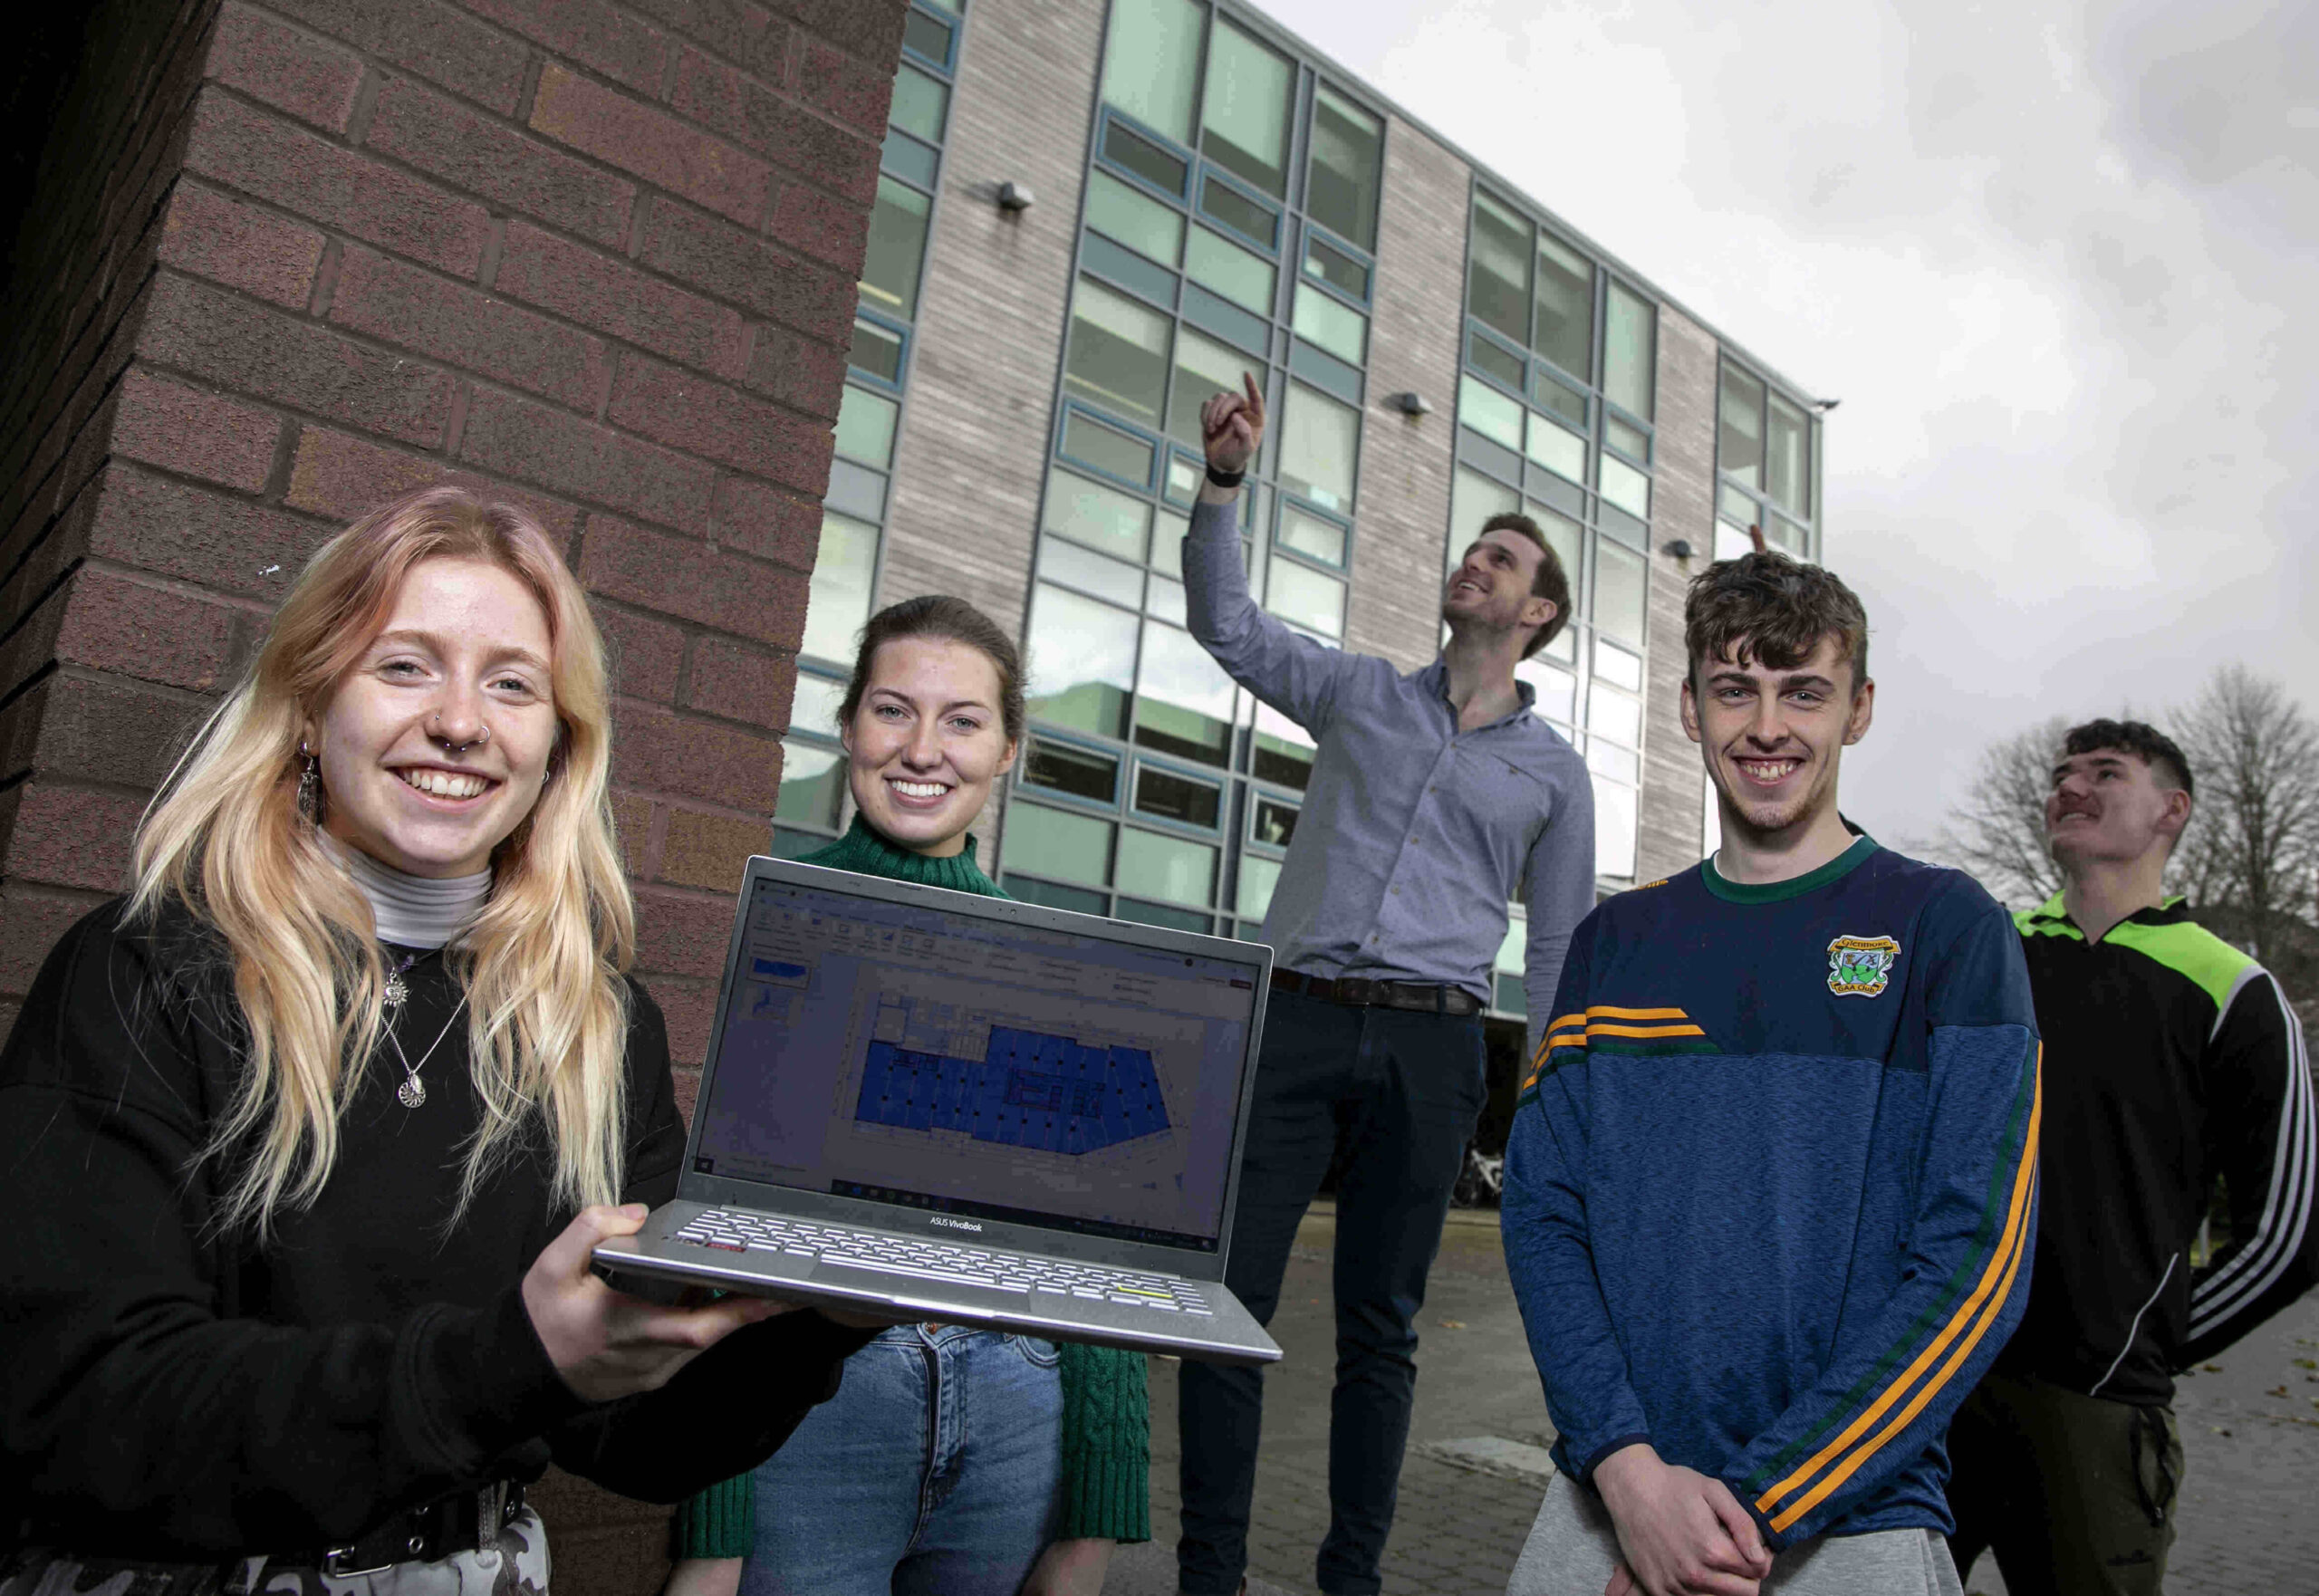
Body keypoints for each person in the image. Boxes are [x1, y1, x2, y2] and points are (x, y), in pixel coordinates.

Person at [0, 487, 879, 1589]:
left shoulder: (598, 1027)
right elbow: (79, 1409)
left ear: (558, 747)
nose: (461, 721)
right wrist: (504, 1363)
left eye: (512, 684)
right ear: (311, 708)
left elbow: (640, 1441)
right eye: (405, 665)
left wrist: (822, 1317)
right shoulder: (145, 973)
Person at [1502, 551, 2042, 1596]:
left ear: (1859, 709)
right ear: (1688, 707)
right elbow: (1540, 1214)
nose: (1766, 727)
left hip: (1850, 1520)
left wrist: (1747, 1514)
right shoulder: (1614, 941)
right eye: (1733, 688)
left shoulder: (1947, 930)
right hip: (1608, 1500)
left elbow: (1975, 1266)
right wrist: (1625, 1469)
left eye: (1804, 691)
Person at [1174, 377, 1596, 1596]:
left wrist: (1554, 1099)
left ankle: (1348, 1575)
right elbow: (1228, 623)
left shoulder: (1557, 778)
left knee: (1381, 1333)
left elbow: (1561, 943)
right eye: (1473, 546)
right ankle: (1209, 1573)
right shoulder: (1359, 692)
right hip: (1296, 1022)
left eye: (1502, 555)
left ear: (1540, 609)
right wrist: (1225, 481)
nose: (1476, 560)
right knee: (1225, 1309)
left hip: (1434, 1051)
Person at [659, 595, 1150, 1596]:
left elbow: (1093, 1242)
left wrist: (1095, 1518)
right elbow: (723, 1223)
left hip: (1018, 1404)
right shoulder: (779, 921)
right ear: (848, 728)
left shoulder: (1059, 964)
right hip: (816, 1399)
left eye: (963, 720)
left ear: (1007, 749)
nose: (923, 749)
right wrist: (713, 1528)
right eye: (893, 710)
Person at [1946, 719, 2318, 1596]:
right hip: (1935, 1386)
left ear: (2171, 810)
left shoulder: (2232, 988)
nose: (2069, 785)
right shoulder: (1986, 955)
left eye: (2104, 772)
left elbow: (2291, 1230)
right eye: (2061, 772)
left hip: (2095, 1410)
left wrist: (2139, 1344)